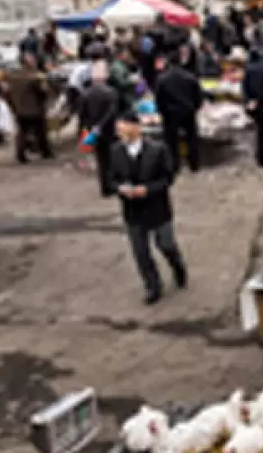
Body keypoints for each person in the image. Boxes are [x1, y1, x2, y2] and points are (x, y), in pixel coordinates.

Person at [108, 112, 188, 305]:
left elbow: (168, 178)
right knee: (140, 251)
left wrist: (148, 190)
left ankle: (177, 266)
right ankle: (152, 286)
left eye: (122, 128)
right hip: (132, 211)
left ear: (136, 127)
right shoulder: (115, 151)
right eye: (118, 129)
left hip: (157, 208)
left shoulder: (158, 150)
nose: (119, 133)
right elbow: (110, 179)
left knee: (165, 244)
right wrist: (120, 189)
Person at [156, 44, 205, 173]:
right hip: (187, 111)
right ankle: (194, 164)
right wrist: (194, 108)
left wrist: (163, 112)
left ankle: (174, 165)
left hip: (170, 114)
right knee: (192, 139)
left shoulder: (162, 79)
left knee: (171, 141)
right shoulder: (190, 77)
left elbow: (159, 99)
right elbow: (199, 97)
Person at [78, 61, 120, 196]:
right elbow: (113, 112)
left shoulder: (85, 93)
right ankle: (112, 184)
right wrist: (102, 125)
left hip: (92, 131)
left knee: (101, 159)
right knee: (112, 158)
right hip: (109, 130)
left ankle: (104, 188)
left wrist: (88, 129)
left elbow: (82, 114)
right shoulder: (111, 92)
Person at [3, 51, 53, 163]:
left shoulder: (12, 76)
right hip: (34, 109)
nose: (34, 62)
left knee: (22, 132)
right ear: (28, 63)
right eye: (32, 60)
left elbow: (6, 92)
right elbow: (43, 91)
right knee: (41, 131)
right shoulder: (34, 77)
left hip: (19, 109)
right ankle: (45, 152)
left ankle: (20, 154)